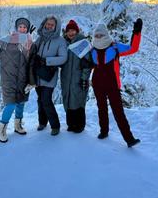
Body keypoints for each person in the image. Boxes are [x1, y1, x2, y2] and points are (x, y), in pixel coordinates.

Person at [0, 17, 36, 143]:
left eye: (24, 27)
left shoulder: (30, 43)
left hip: (23, 80)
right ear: (16, 28)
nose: (22, 29)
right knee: (11, 104)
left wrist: (32, 81)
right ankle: (2, 129)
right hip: (8, 79)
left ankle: (18, 125)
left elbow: (32, 63)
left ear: (27, 29)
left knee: (21, 103)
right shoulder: (6, 41)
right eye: (20, 27)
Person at [88, 19, 143, 147]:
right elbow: (85, 64)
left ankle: (129, 139)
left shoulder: (115, 47)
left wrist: (136, 33)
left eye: (101, 35)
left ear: (106, 34)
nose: (99, 37)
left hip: (112, 84)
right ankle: (104, 131)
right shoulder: (91, 49)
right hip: (97, 83)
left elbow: (133, 48)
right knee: (101, 109)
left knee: (118, 111)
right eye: (96, 35)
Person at [34, 16, 68, 136]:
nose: (49, 26)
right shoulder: (40, 38)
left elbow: (63, 58)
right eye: (47, 24)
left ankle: (55, 125)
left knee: (46, 100)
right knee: (40, 100)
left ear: (56, 26)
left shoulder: (60, 41)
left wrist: (47, 61)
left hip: (49, 75)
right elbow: (32, 50)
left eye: (52, 25)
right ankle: (42, 122)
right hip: (38, 74)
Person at [61, 20, 91, 133]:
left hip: (78, 78)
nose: (71, 33)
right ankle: (70, 124)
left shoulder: (82, 43)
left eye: (73, 30)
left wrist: (84, 78)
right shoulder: (64, 43)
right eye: (69, 31)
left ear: (77, 31)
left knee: (78, 100)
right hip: (66, 78)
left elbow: (87, 64)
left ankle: (80, 125)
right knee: (68, 100)